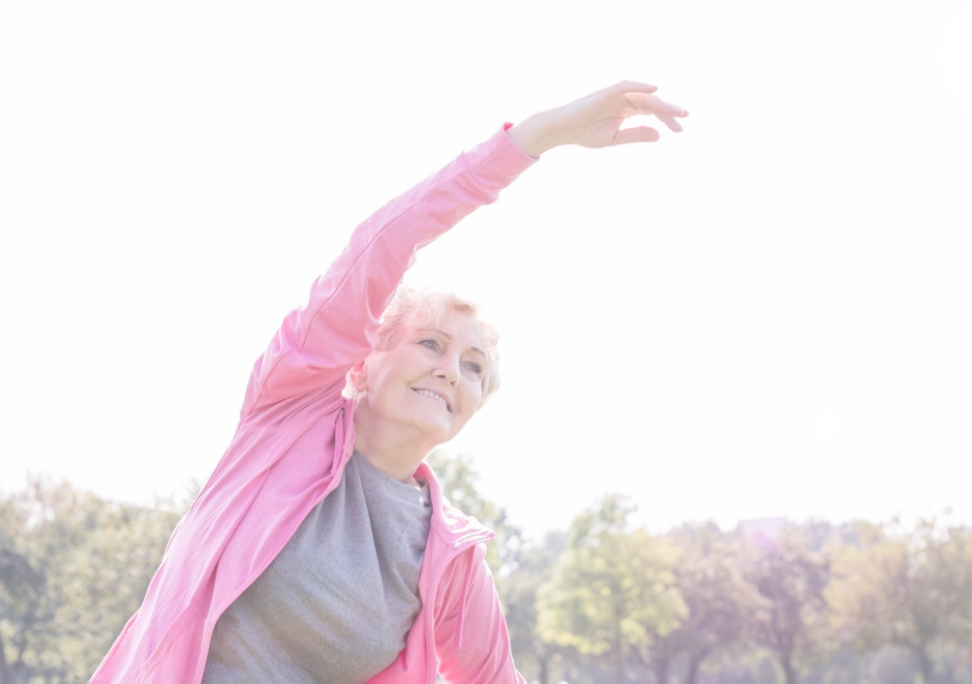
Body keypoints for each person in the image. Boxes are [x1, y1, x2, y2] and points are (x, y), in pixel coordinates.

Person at [90, 81, 687, 684]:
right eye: (431, 343)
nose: (451, 370)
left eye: (474, 366)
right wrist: (536, 139)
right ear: (361, 363)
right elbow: (384, 244)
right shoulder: (287, 415)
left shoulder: (448, 557)